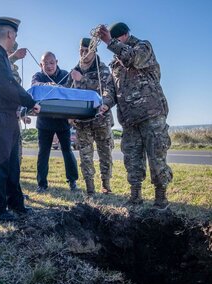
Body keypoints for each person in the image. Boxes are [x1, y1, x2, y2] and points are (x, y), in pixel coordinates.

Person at [98, 22, 172, 209]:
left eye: (117, 39)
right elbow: (110, 90)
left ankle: (161, 198)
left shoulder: (143, 47)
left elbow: (132, 59)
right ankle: (135, 196)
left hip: (151, 115)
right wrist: (105, 104)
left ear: (124, 36)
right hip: (129, 120)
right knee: (132, 160)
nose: (114, 44)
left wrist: (108, 42)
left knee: (157, 158)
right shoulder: (115, 63)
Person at [0, 17, 40, 222]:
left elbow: (10, 84)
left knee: (12, 164)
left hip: (7, 116)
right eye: (15, 36)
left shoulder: (0, 54)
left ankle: (16, 203)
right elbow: (7, 85)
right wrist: (30, 102)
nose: (14, 41)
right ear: (10, 34)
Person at [65, 38, 114, 195]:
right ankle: (90, 188)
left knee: (104, 153)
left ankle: (105, 185)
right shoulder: (74, 71)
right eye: (81, 50)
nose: (84, 53)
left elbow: (107, 90)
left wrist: (83, 80)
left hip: (101, 119)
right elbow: (66, 93)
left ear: (94, 51)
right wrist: (68, 115)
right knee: (85, 156)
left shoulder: (103, 70)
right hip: (81, 122)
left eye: (87, 50)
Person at [31, 52, 79, 192]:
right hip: (44, 122)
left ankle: (72, 181)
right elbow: (34, 85)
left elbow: (71, 91)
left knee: (67, 151)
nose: (49, 66)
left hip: (62, 121)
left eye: (52, 62)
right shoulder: (38, 76)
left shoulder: (64, 74)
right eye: (46, 63)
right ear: (41, 65)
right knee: (43, 153)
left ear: (56, 62)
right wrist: (47, 85)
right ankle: (41, 184)